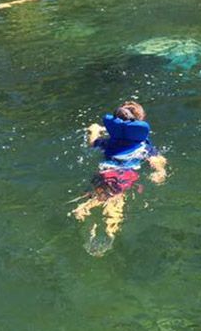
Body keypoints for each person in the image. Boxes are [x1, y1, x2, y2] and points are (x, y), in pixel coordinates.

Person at [71, 100, 167, 249]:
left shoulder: (107, 143)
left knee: (97, 194)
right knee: (115, 203)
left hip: (103, 173)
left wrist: (94, 130)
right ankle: (108, 233)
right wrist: (160, 172)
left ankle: (83, 209)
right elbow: (157, 160)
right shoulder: (144, 147)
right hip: (123, 176)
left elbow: (92, 143)